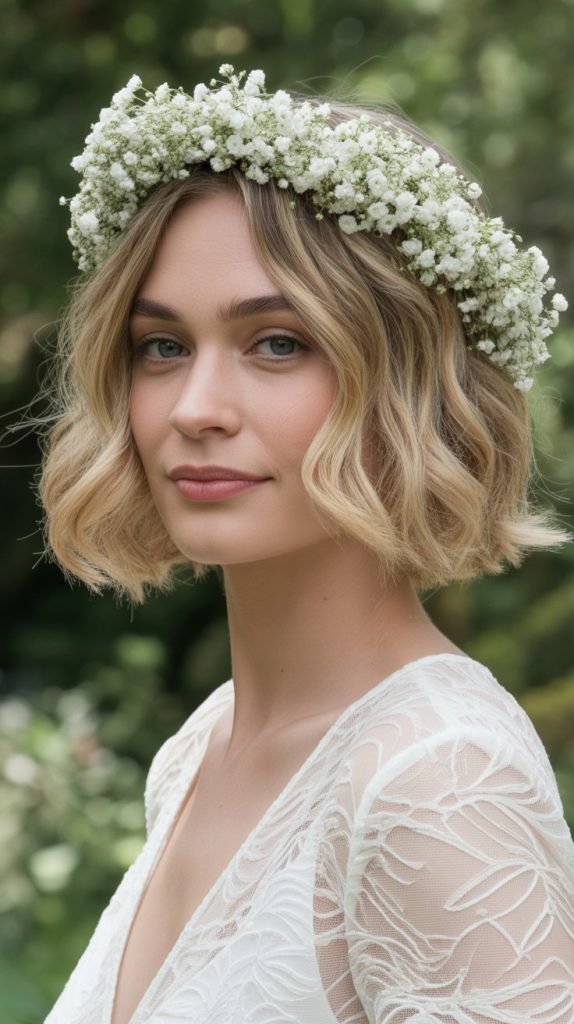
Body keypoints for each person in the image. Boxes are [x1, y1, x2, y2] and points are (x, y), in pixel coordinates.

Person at [41, 66, 574, 1023]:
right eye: (161, 346)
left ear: (408, 380)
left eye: (278, 343)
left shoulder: (438, 781)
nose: (196, 410)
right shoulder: (202, 749)